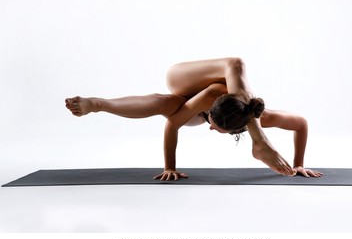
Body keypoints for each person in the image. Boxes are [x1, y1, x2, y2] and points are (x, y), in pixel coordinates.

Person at [65, 58, 323, 181]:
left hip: (218, 108)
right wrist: (170, 166)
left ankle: (100, 104)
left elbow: (300, 123)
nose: (210, 127)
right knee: (234, 65)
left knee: (170, 105)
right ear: (211, 107)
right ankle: (98, 104)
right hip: (184, 81)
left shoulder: (257, 115)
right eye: (213, 121)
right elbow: (172, 124)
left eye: (216, 128)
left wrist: (299, 164)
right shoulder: (210, 95)